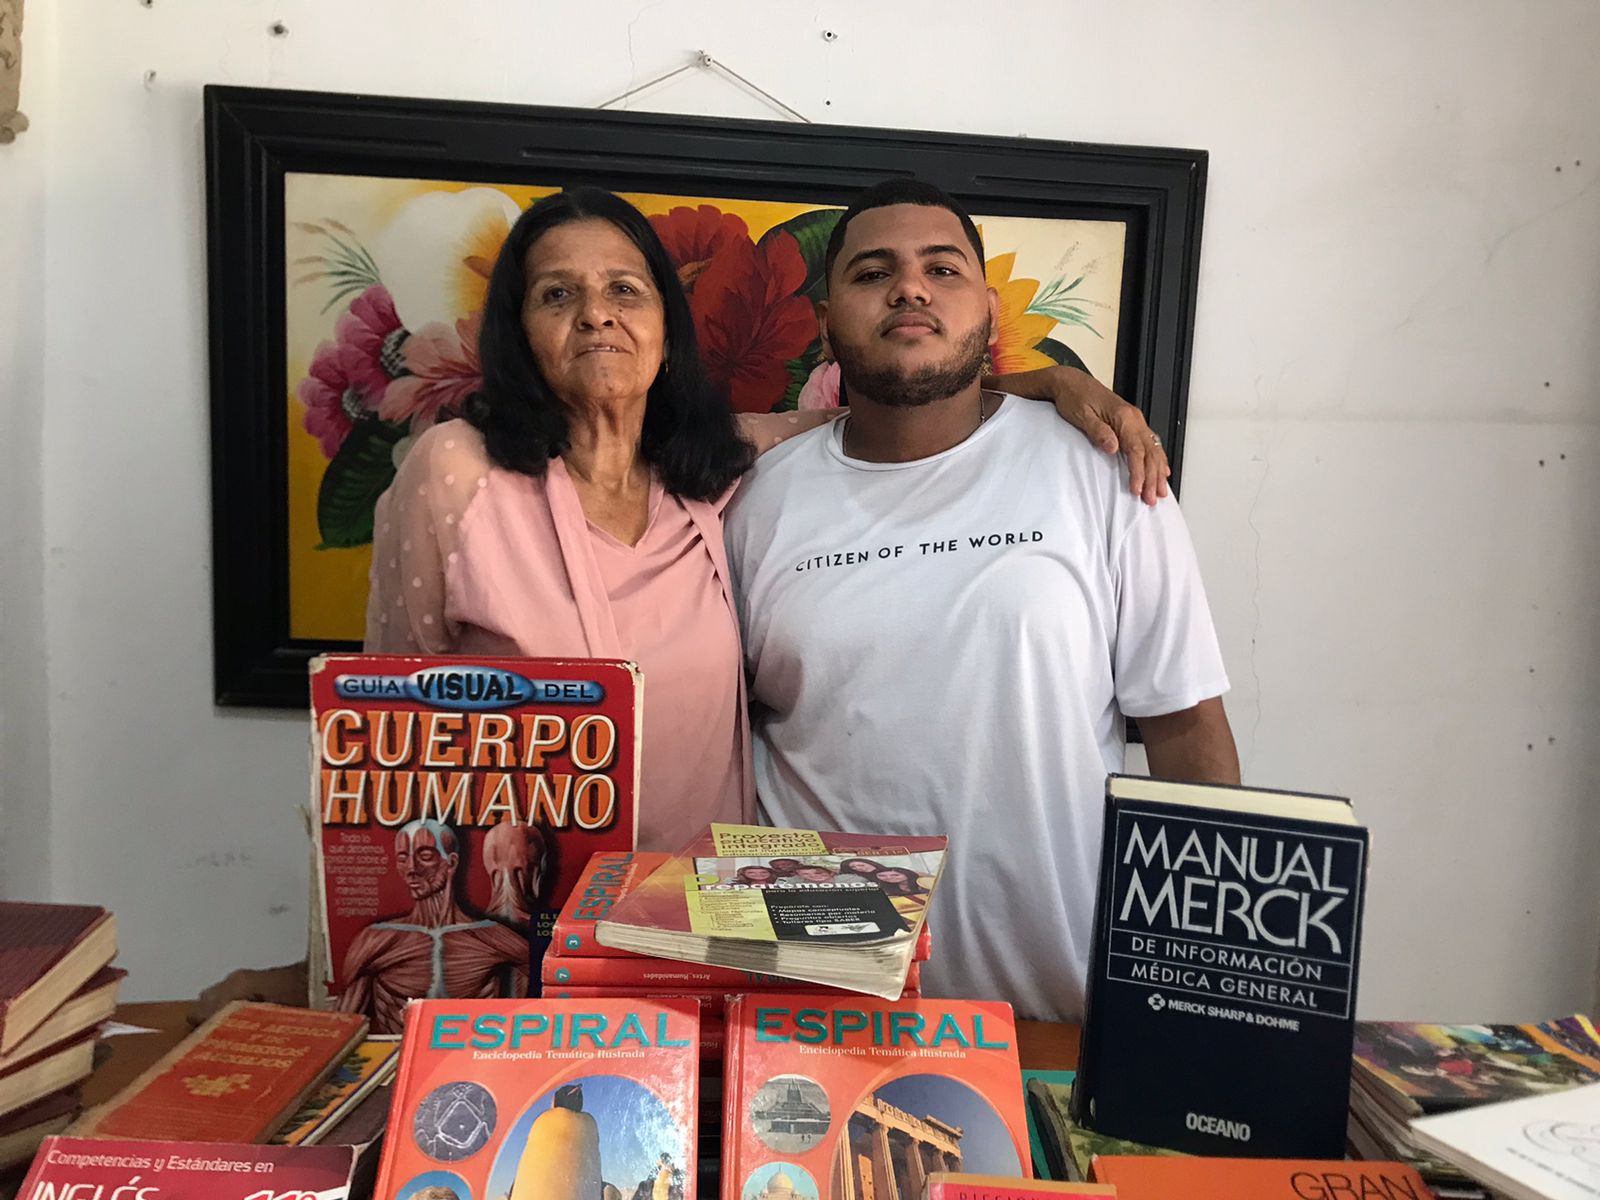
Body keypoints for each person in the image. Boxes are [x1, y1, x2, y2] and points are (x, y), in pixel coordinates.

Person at [364, 187, 1173, 853]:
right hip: (511, 931)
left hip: (696, 934)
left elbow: (897, 403)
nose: (595, 315)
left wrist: (1051, 388)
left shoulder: (713, 473)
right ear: (518, 331)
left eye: (624, 289)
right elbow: (376, 755)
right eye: (557, 293)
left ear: (665, 332)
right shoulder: (455, 472)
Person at [724, 179, 1239, 1022]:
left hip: (1062, 1004)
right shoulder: (757, 500)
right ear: (825, 323)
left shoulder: (1102, 467)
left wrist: (1196, 988)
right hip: (821, 999)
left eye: (942, 268)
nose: (911, 288)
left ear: (988, 308)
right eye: (872, 272)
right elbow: (730, 744)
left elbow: (1186, 730)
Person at [334, 819, 529, 1033]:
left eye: (425, 856)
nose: (411, 869)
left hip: (473, 1056)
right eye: (402, 858)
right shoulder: (376, 940)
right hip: (398, 1057)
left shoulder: (489, 936)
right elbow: (343, 1027)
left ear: (451, 864)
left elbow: (542, 982)